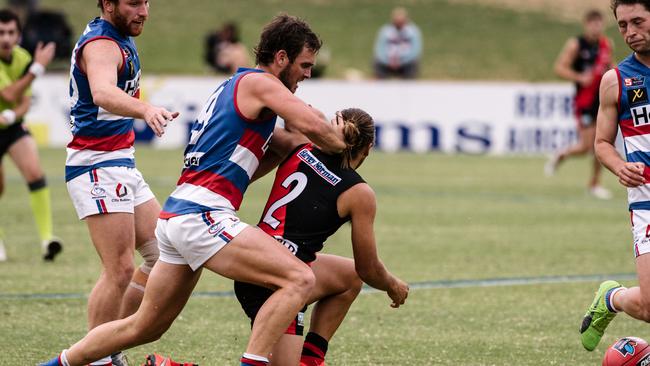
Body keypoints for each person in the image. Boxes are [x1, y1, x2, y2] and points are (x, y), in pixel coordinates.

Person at [40, 13, 346, 366]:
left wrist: (298, 141)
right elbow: (314, 127)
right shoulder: (262, 85)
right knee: (299, 279)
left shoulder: (238, 87)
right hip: (201, 215)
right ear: (281, 58)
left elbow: (273, 149)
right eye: (304, 65)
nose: (307, 74)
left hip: (178, 215)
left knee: (144, 326)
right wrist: (343, 139)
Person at [234, 108, 409, 366]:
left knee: (348, 277)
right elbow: (368, 268)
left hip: (256, 259)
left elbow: (279, 113)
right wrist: (393, 285)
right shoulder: (359, 192)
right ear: (369, 147)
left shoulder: (300, 146)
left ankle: (311, 360)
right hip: (282, 281)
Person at [62, 0, 180, 364]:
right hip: (96, 164)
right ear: (108, 4)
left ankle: (110, 343)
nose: (143, 10)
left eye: (146, 1)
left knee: (163, 254)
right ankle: (95, 358)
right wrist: (145, 109)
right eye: (133, 2)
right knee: (119, 269)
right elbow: (103, 92)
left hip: (120, 162)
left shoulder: (119, 34)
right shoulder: (102, 44)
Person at [580, 0, 650, 352]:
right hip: (647, 202)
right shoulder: (616, 80)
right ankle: (613, 297)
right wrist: (619, 166)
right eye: (623, 25)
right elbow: (602, 143)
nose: (630, 32)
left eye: (638, 21)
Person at [0, 9, 61, 262]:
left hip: (11, 127)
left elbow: (23, 101)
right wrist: (36, 69)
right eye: (1, 32)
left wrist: (12, 117)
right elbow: (8, 95)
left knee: (35, 174)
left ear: (19, 35)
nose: (5, 38)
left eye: (11, 32)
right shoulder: (30, 64)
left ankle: (48, 240)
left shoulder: (22, 57)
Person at [545, 9, 614, 200]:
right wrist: (579, 77)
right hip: (583, 101)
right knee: (586, 146)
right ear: (586, 24)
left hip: (602, 99)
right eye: (592, 23)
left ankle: (594, 184)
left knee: (602, 143)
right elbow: (559, 68)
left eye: (599, 23)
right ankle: (562, 154)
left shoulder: (606, 45)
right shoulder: (576, 44)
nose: (596, 27)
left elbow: (611, 67)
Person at [372, 7, 422, 79]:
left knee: (414, 63)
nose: (399, 22)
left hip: (406, 62)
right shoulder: (386, 31)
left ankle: (409, 86)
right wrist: (389, 61)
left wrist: (401, 61)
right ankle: (380, 85)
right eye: (397, 20)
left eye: (401, 20)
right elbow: (379, 49)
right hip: (387, 61)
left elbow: (415, 51)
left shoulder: (413, 32)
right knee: (376, 61)